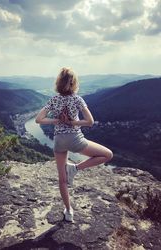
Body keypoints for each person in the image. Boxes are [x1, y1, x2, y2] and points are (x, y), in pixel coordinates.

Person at [35, 67, 113, 222]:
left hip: (59, 140)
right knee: (107, 155)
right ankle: (75, 168)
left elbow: (38, 119)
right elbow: (90, 122)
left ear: (58, 82)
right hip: (75, 139)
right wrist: (73, 122)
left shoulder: (54, 99)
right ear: (74, 83)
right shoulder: (77, 99)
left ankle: (69, 212)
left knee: (62, 179)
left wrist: (56, 120)